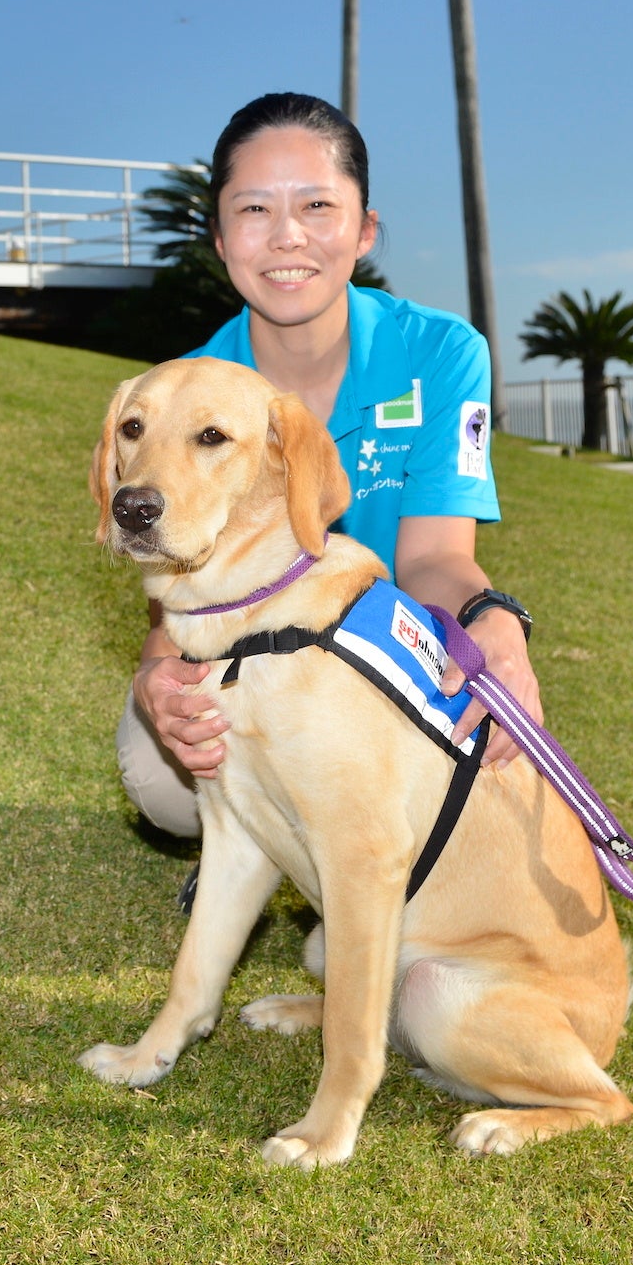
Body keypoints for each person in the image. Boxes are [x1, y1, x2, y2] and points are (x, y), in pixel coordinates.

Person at [119, 92, 542, 840]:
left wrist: (492, 620)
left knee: (489, 758)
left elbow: (436, 559)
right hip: (249, 654)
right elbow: (178, 602)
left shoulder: (443, 354)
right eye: (252, 210)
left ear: (364, 229)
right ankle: (267, 848)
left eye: (316, 205)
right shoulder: (186, 387)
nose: (286, 237)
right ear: (218, 235)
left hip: (387, 651)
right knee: (165, 784)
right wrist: (157, 676)